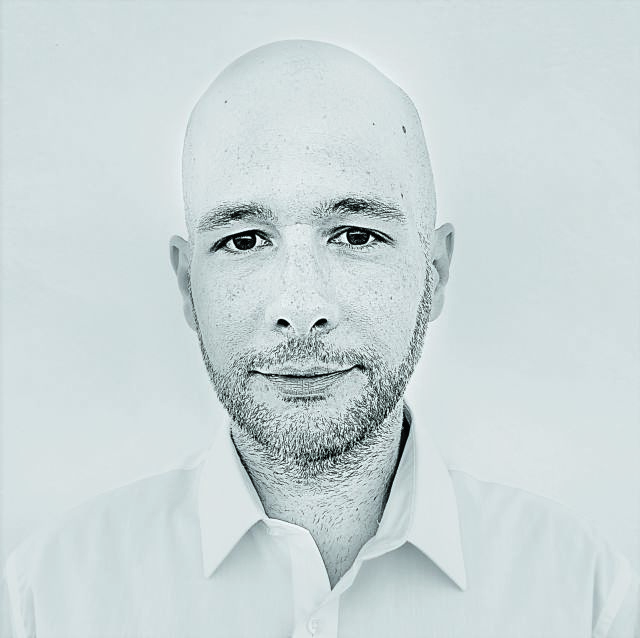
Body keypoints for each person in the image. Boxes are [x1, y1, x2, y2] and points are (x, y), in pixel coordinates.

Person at [2, 39, 638, 638]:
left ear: (436, 273)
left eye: (357, 235)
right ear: (189, 286)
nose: (301, 308)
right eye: (244, 240)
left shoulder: (584, 596)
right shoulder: (46, 600)